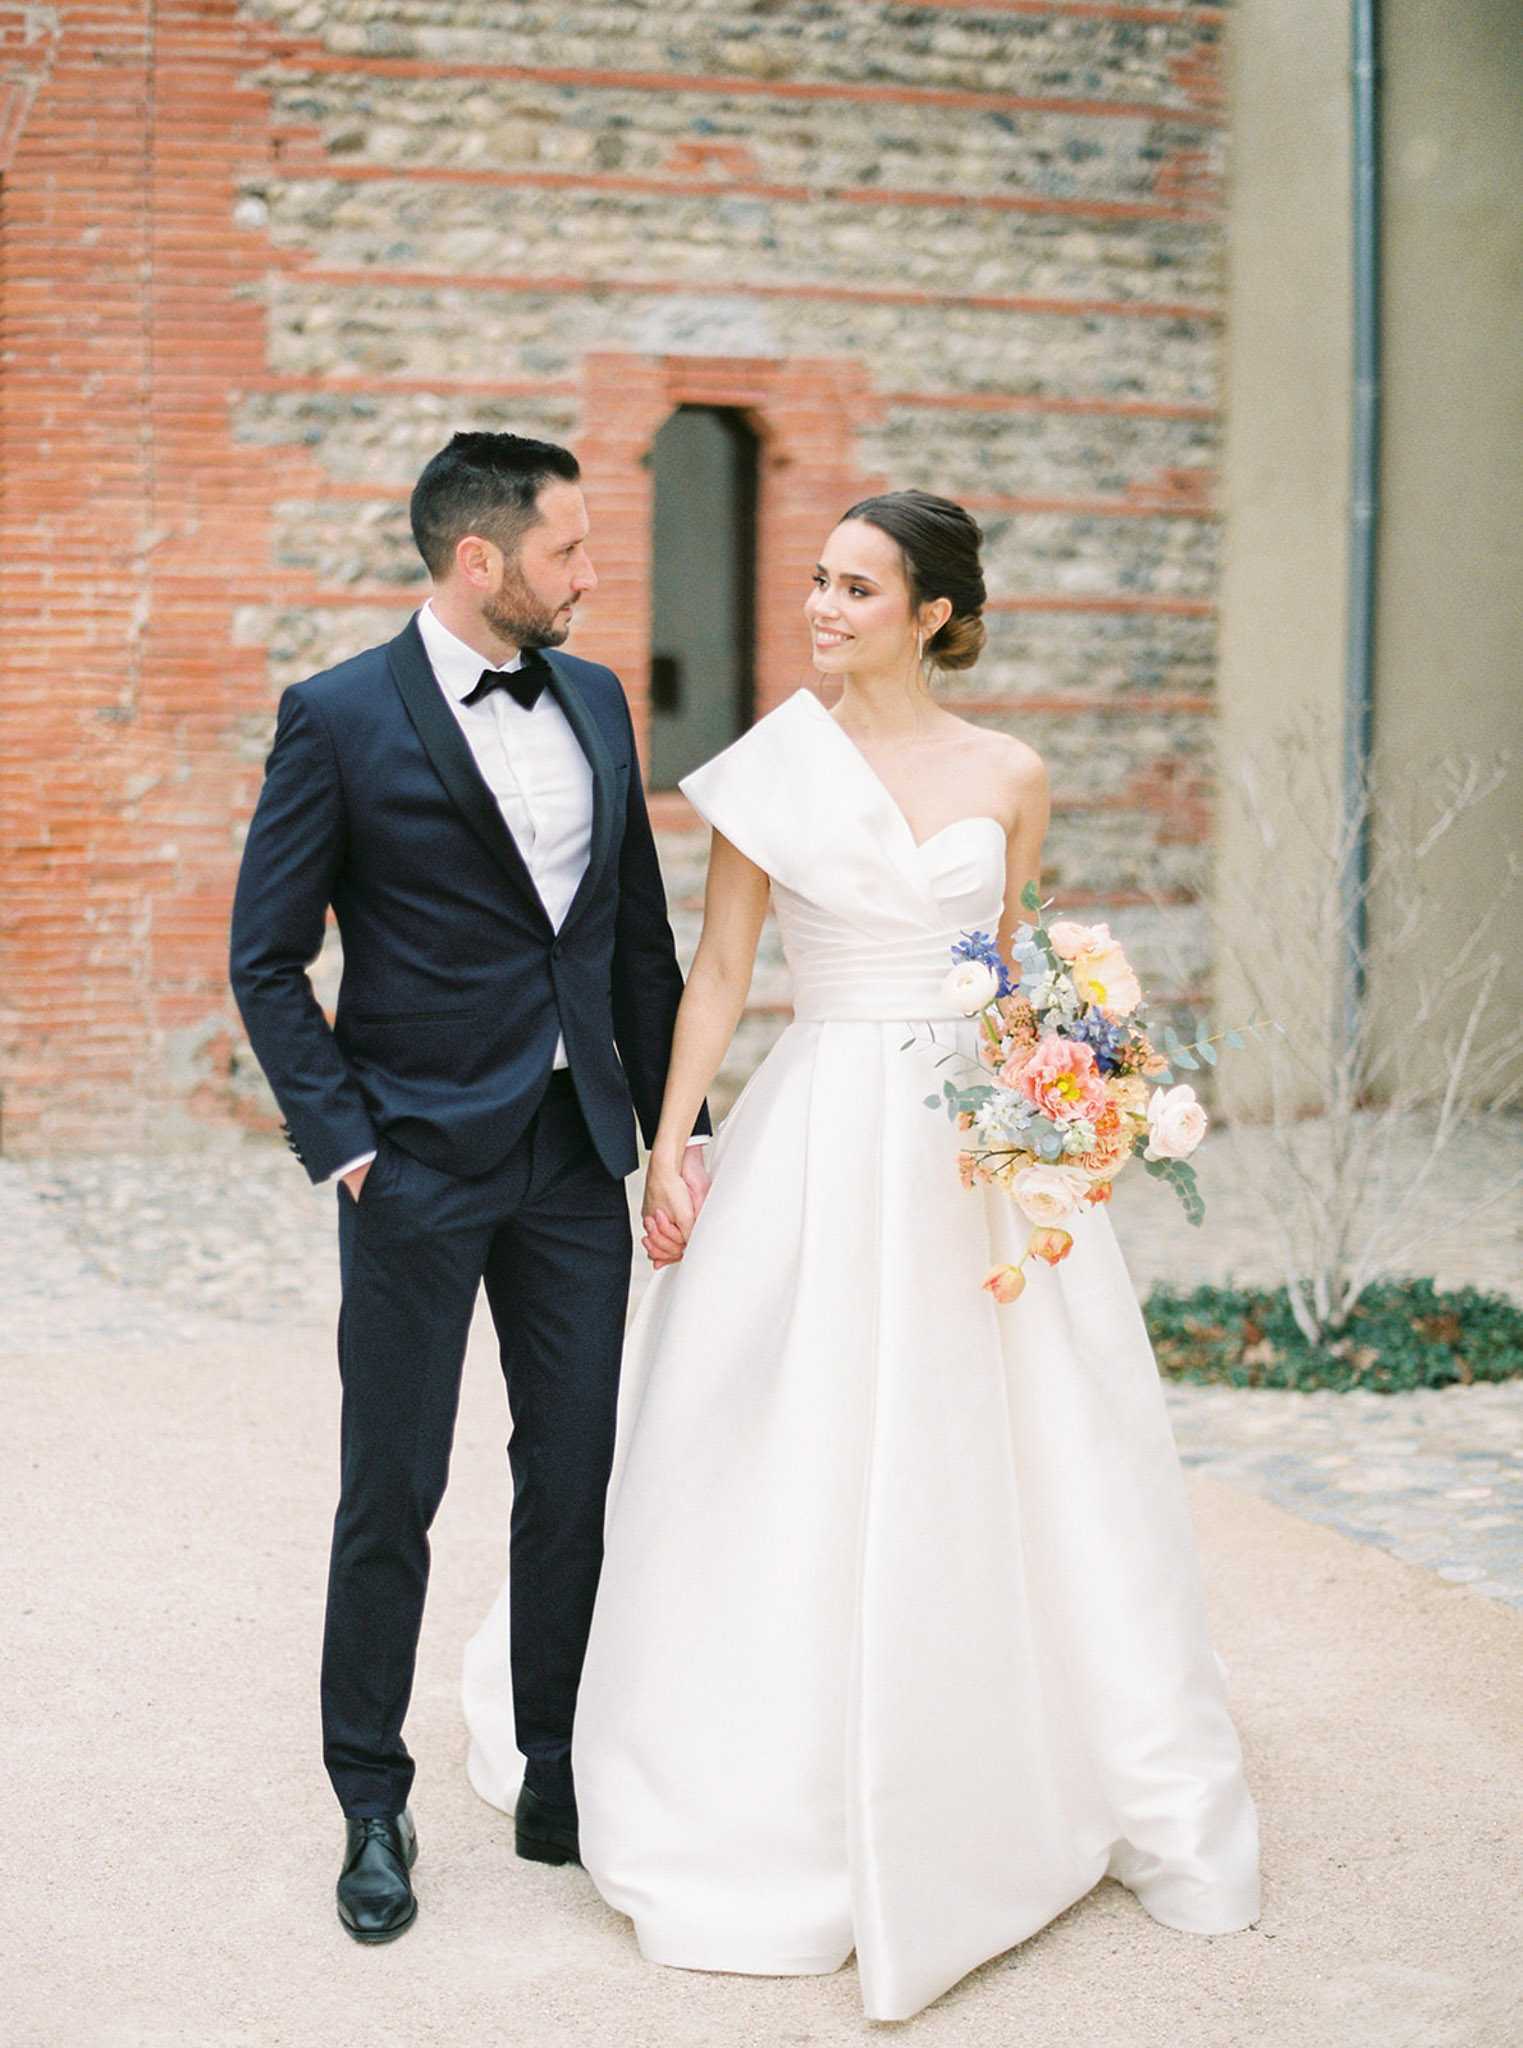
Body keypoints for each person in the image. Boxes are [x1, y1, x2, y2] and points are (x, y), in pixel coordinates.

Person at [462, 488, 1261, 2020]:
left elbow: (1013, 965)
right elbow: (719, 971)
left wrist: (1071, 1090)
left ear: (934, 614)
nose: (822, 608)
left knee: (1021, 1440)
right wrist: (671, 1143)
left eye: (855, 587)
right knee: (788, 1428)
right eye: (818, 581)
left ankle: (1017, 1742)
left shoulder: (1010, 774)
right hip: (822, 1125)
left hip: (976, 1153)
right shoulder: (772, 770)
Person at [229, 431, 709, 1945]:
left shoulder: (597, 699)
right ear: (480, 559)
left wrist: (681, 1129)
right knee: (395, 1487)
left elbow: (633, 940)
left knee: (572, 1471)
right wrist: (348, 1143)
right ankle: (371, 1800)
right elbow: (265, 958)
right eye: (570, 550)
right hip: (415, 1165)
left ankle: (555, 1763)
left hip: (574, 1155)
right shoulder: (337, 717)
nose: (593, 575)